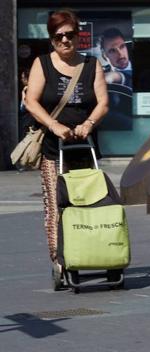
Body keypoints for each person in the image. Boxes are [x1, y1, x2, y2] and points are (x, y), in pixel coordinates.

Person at [24, 10, 109, 275]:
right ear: (52, 40)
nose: (64, 41)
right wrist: (54, 125)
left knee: (90, 201)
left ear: (78, 36)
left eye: (69, 35)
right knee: (56, 203)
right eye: (58, 36)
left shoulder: (91, 64)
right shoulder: (42, 64)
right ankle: (59, 258)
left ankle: (92, 250)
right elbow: (31, 101)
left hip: (85, 148)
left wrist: (88, 124)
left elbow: (103, 103)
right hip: (53, 149)